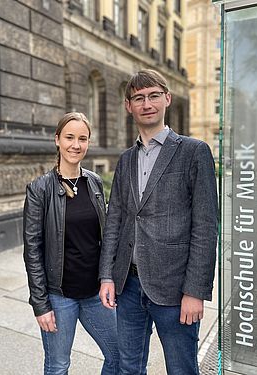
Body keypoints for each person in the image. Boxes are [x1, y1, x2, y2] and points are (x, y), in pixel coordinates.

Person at [99, 69, 218, 375]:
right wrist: (107, 276)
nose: (146, 103)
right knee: (128, 368)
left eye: (153, 95)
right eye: (138, 98)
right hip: (128, 286)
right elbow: (116, 220)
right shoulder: (126, 159)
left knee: (181, 369)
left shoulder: (194, 152)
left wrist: (195, 291)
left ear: (167, 98)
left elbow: (205, 227)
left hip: (175, 289)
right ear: (129, 106)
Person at [23, 112, 119, 375]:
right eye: (69, 137)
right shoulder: (39, 189)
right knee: (58, 366)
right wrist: (40, 305)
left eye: (82, 138)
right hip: (59, 296)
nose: (76, 145)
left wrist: (108, 278)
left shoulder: (95, 182)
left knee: (119, 356)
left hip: (95, 294)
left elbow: (104, 236)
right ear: (57, 140)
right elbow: (32, 250)